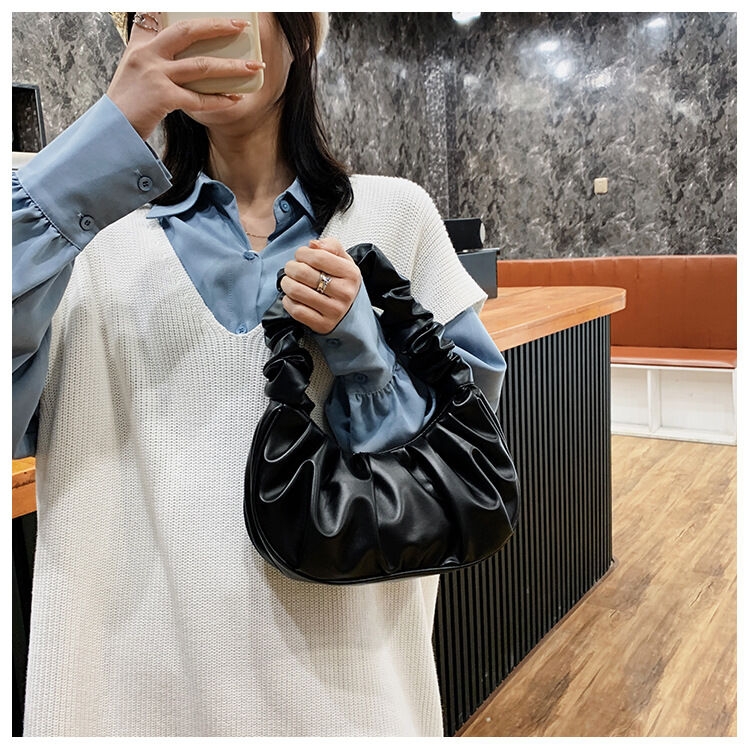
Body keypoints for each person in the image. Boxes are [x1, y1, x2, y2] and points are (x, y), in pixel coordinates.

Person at [12, 12, 507, 737]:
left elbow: (455, 466)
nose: (208, 22)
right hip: (124, 700)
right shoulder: (85, 238)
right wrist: (107, 133)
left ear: (298, 33)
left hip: (351, 700)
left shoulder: (398, 217)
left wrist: (364, 352)